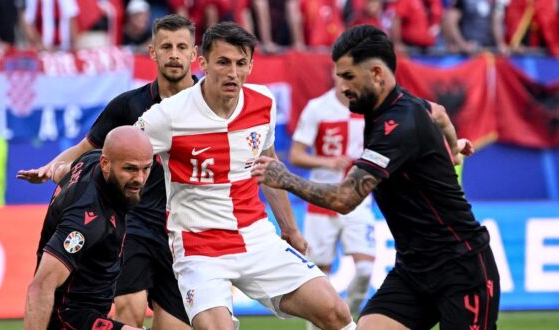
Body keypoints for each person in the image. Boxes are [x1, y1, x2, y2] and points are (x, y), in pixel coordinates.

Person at [252, 25, 500, 330]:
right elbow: (439, 112)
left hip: (461, 269)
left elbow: (344, 199)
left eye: (348, 77)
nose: (342, 88)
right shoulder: (400, 107)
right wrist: (454, 149)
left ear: (377, 74)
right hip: (413, 271)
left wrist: (286, 178)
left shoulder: (398, 126)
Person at [135, 21, 354, 330]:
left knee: (336, 312)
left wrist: (290, 229)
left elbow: (269, 166)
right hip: (199, 245)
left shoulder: (263, 103)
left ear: (251, 64)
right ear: (204, 63)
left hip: (255, 235)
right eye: (223, 62)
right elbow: (122, 154)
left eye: (241, 63)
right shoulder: (169, 114)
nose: (232, 72)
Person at [17, 14, 196, 330]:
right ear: (152, 52)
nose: (174, 54)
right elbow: (85, 149)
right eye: (166, 46)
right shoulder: (128, 106)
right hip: (134, 225)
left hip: (181, 233)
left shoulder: (209, 106)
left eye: (182, 47)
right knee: (130, 309)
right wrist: (49, 169)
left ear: (194, 54)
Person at [22, 126, 153, 330]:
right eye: (130, 169)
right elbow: (40, 287)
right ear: (106, 164)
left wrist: (52, 172)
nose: (140, 179)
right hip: (69, 317)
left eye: (146, 168)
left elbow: (64, 171)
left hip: (93, 312)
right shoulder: (84, 222)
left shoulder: (90, 161)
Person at [290, 74, 376, 322]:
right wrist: (325, 161)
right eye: (341, 74)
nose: (345, 81)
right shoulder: (318, 108)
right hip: (321, 201)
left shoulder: (369, 107)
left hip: (357, 199)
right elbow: (296, 155)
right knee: (318, 279)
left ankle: (345, 317)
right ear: (333, 75)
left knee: (365, 268)